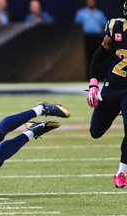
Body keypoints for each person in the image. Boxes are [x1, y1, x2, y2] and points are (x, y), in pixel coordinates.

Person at [86, 1, 127, 188]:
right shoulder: (116, 27)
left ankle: (121, 173)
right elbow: (99, 56)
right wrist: (94, 84)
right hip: (112, 86)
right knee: (96, 132)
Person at [74, 0, 107, 79]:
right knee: (87, 57)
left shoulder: (99, 13)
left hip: (97, 38)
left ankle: (99, 76)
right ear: (86, 2)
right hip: (85, 38)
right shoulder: (81, 13)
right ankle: (88, 76)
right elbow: (76, 26)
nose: (91, 2)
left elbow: (104, 25)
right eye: (89, 1)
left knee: (98, 56)